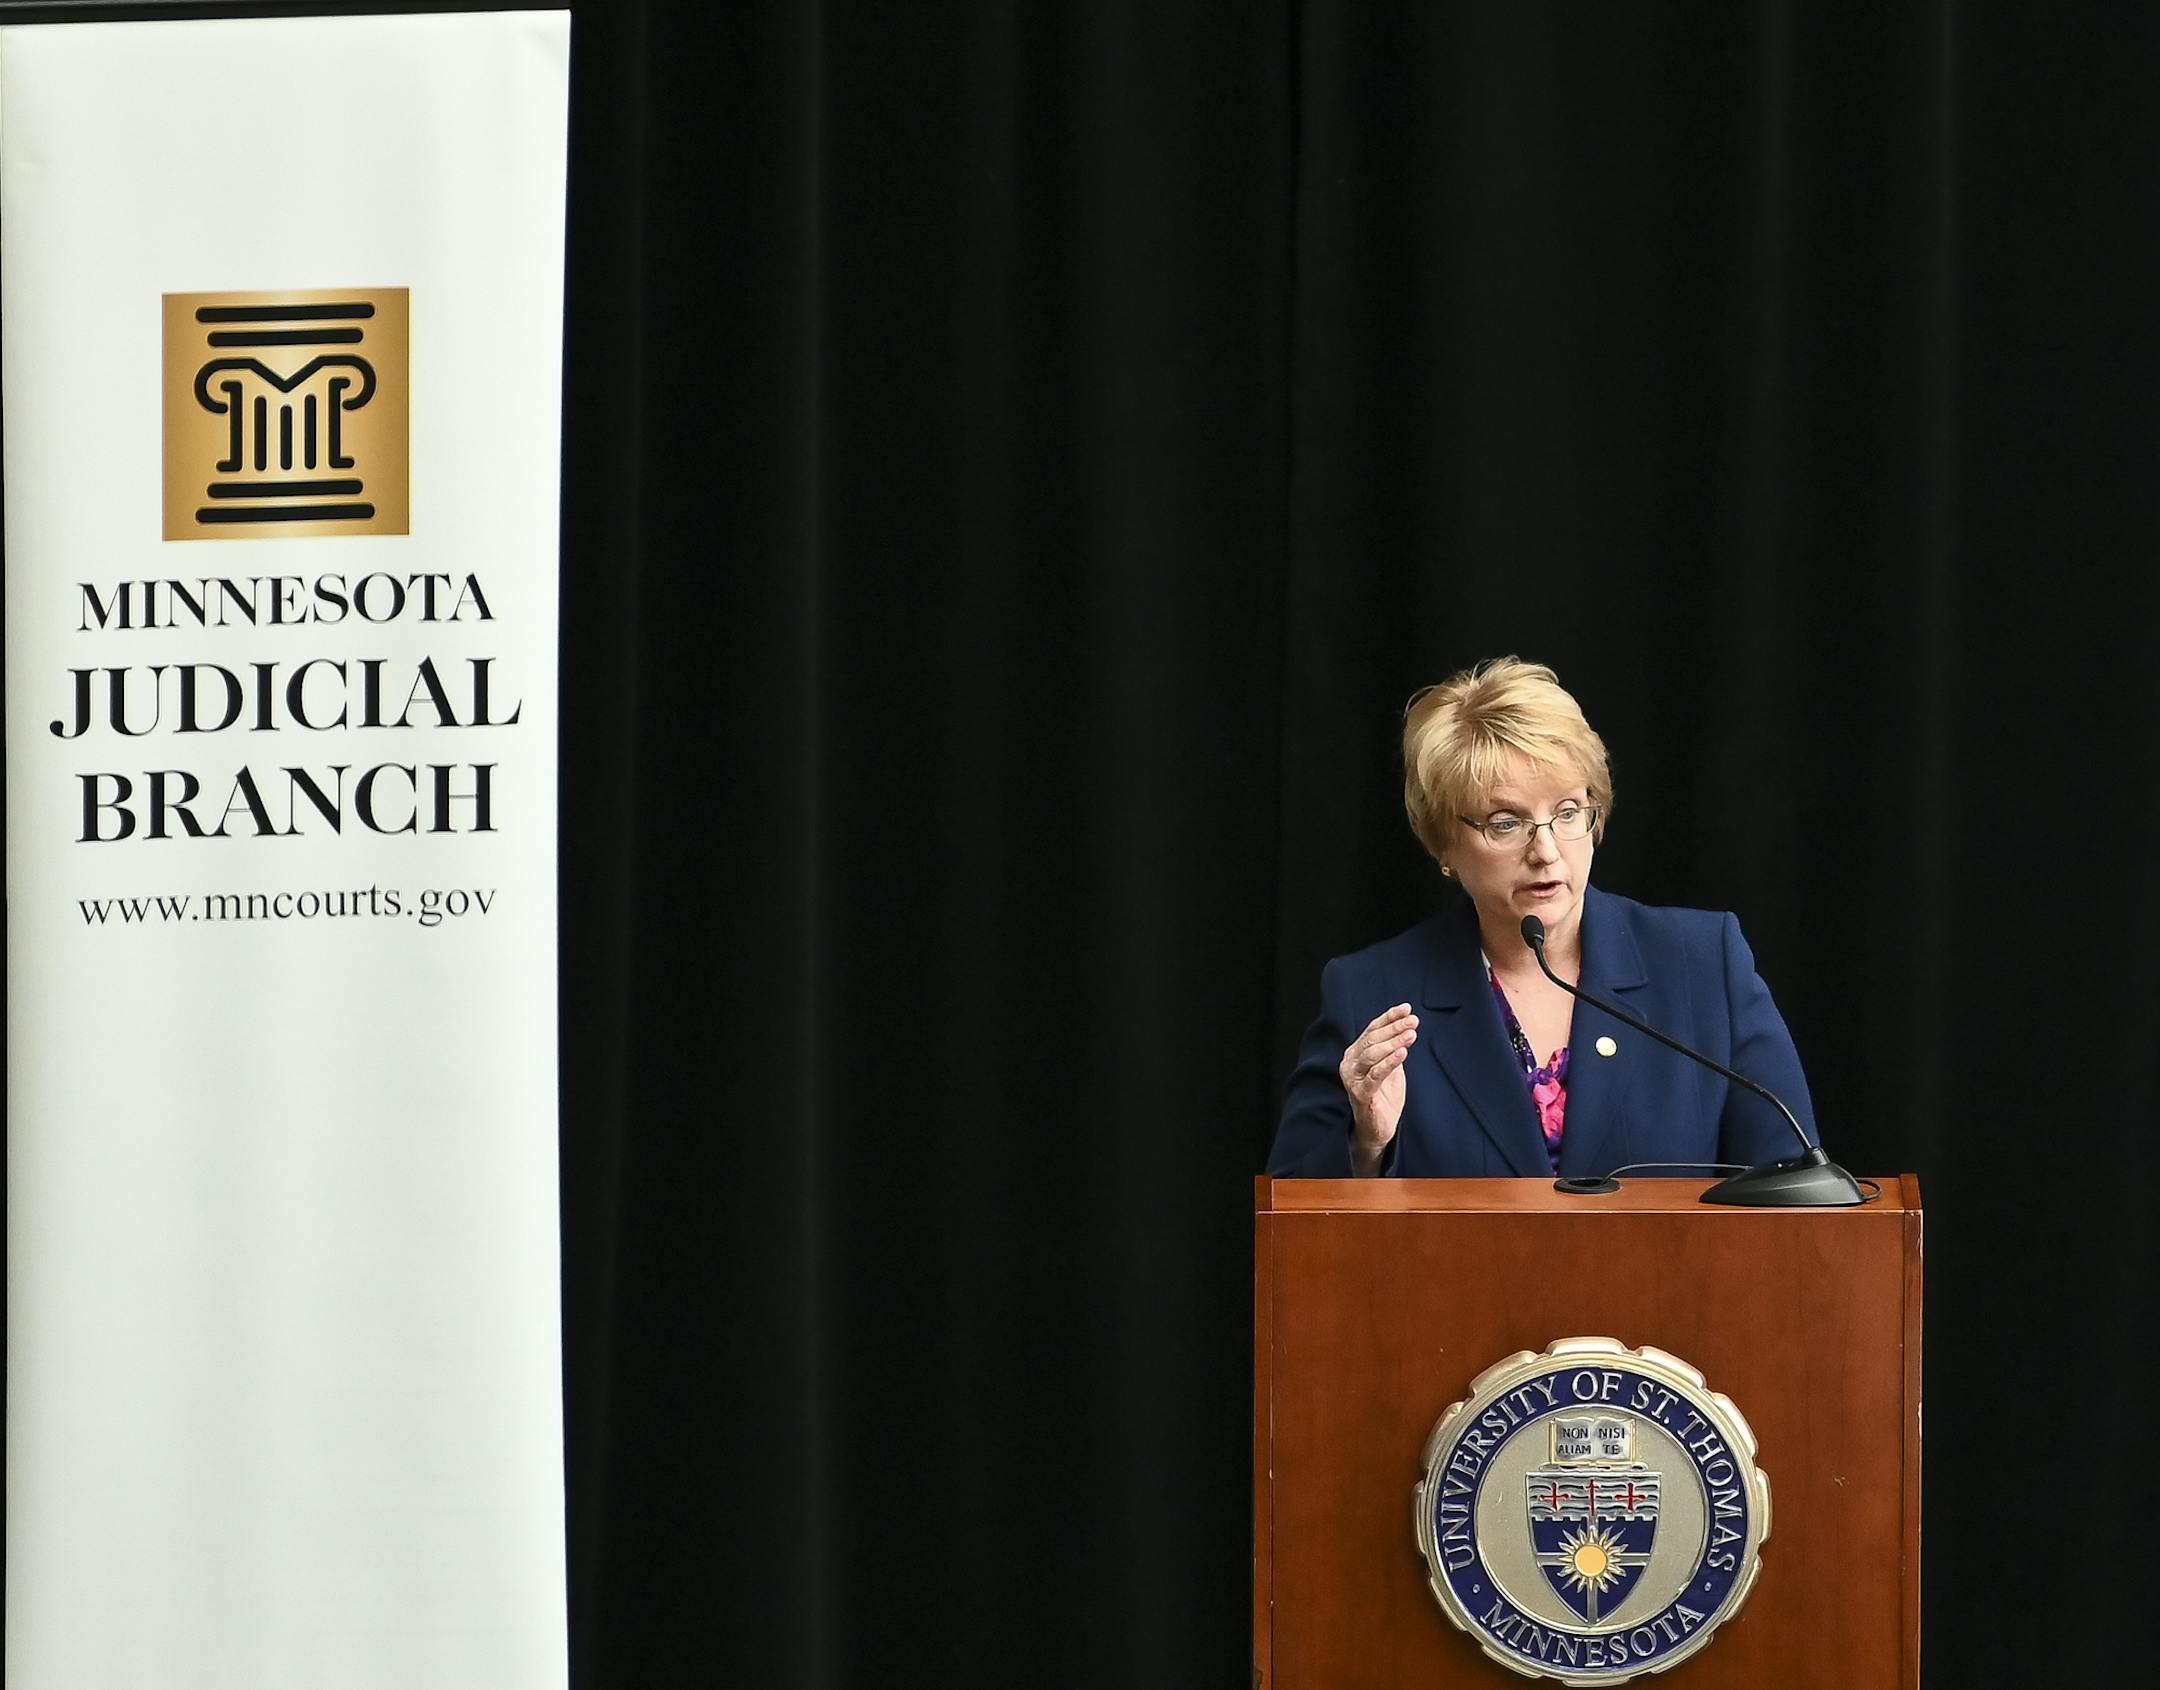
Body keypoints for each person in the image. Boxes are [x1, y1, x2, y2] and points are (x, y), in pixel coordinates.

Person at [1268, 657, 1816, 1179]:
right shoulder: (1372, 992)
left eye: (1568, 812)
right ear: (1443, 843)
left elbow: (1793, 1186)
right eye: (1506, 823)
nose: (1547, 851)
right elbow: (1291, 1233)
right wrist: (1366, 1142)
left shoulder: (1702, 964)